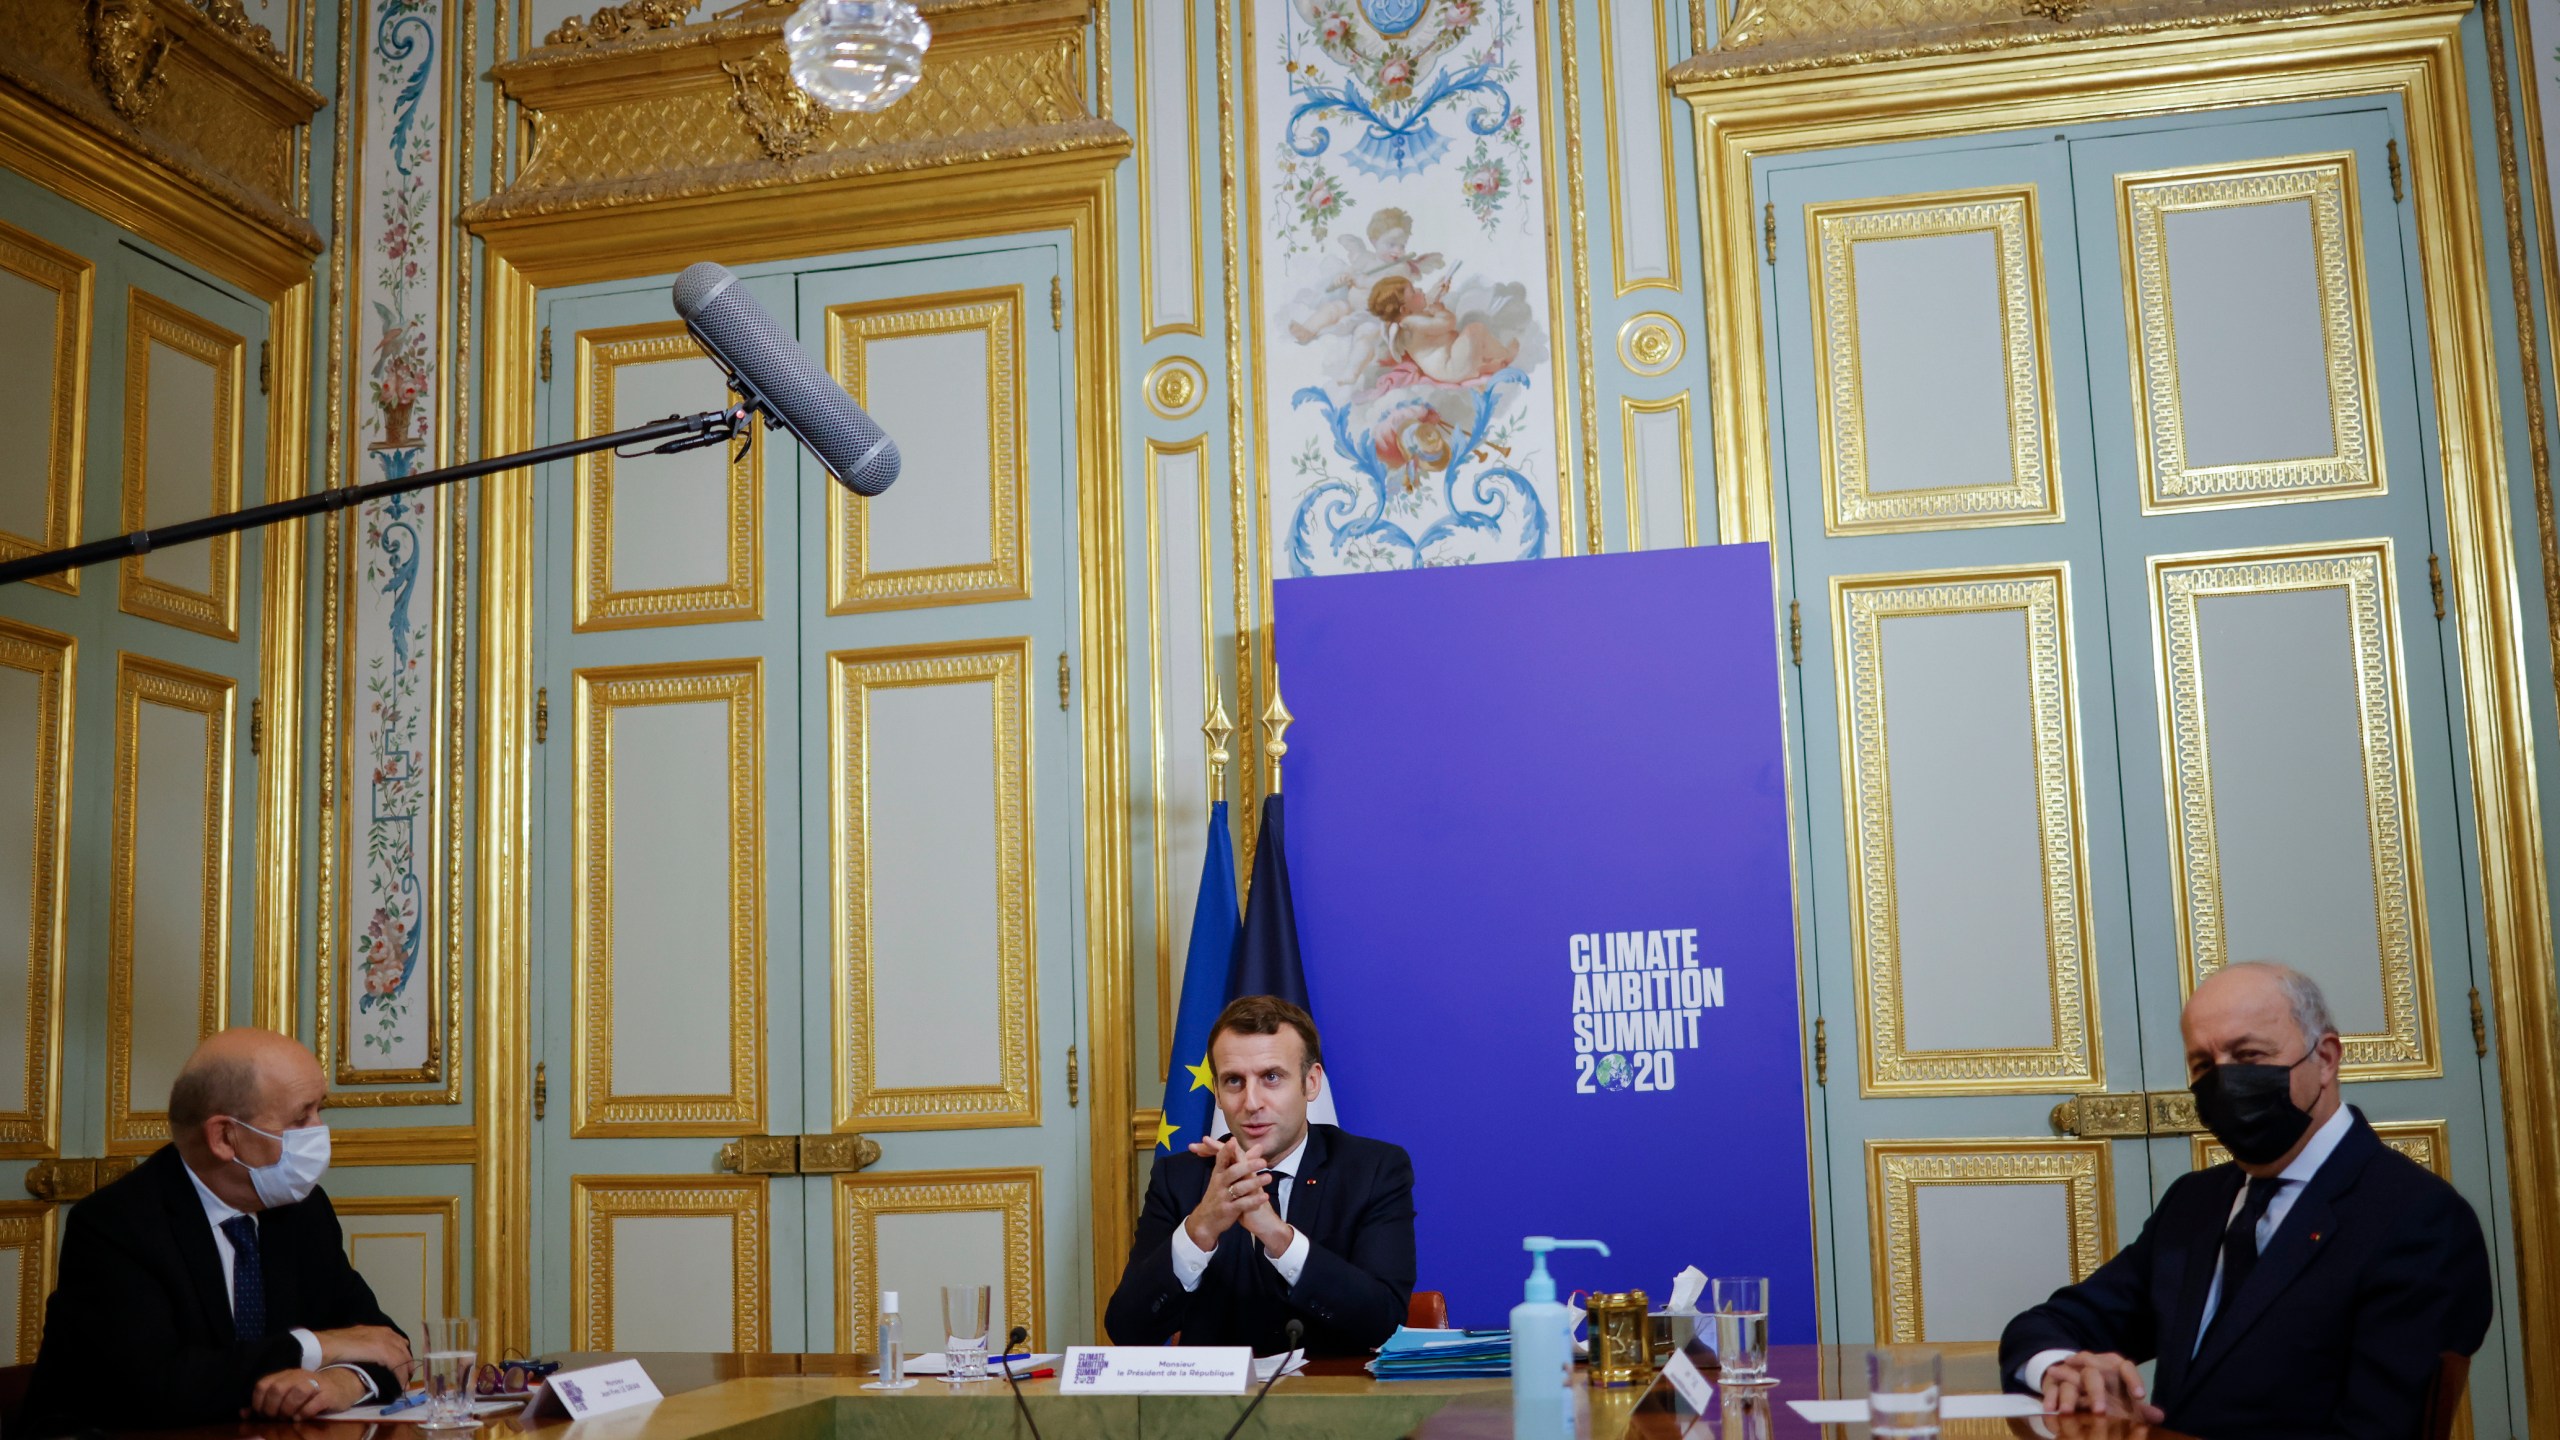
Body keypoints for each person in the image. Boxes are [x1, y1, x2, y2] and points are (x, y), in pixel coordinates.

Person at [2001, 962, 2492, 1439]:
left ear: (2325, 1058)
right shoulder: (2195, 1203)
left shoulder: (2419, 1220)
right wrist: (2061, 1370)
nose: (2224, 1081)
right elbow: (2046, 1325)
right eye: (2203, 1064)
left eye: (2249, 1056)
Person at [23, 1029, 413, 1433]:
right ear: (225, 1137)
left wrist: (340, 1381)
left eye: (319, 1110)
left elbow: (386, 1344)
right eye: (301, 1117)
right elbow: (162, 1390)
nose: (319, 1131)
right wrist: (318, 1346)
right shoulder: (116, 1226)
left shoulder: (302, 1212)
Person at [1105, 995, 1415, 1356]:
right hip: (1215, 1409)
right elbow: (1127, 1331)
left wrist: (1277, 1236)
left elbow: (1383, 1323)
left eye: (1271, 1077)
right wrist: (1200, 1230)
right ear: (1217, 1093)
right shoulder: (1181, 1179)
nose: (1251, 1103)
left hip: (1334, 1401)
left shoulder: (1374, 1170)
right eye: (1234, 1081)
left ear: (1311, 1082)